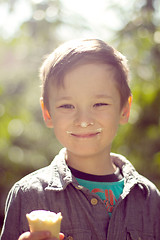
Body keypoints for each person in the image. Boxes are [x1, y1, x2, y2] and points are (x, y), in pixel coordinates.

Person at [1, 39, 160, 240]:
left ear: (125, 108)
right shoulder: (28, 195)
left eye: (100, 104)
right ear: (47, 113)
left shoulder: (149, 199)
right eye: (67, 106)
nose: (83, 121)